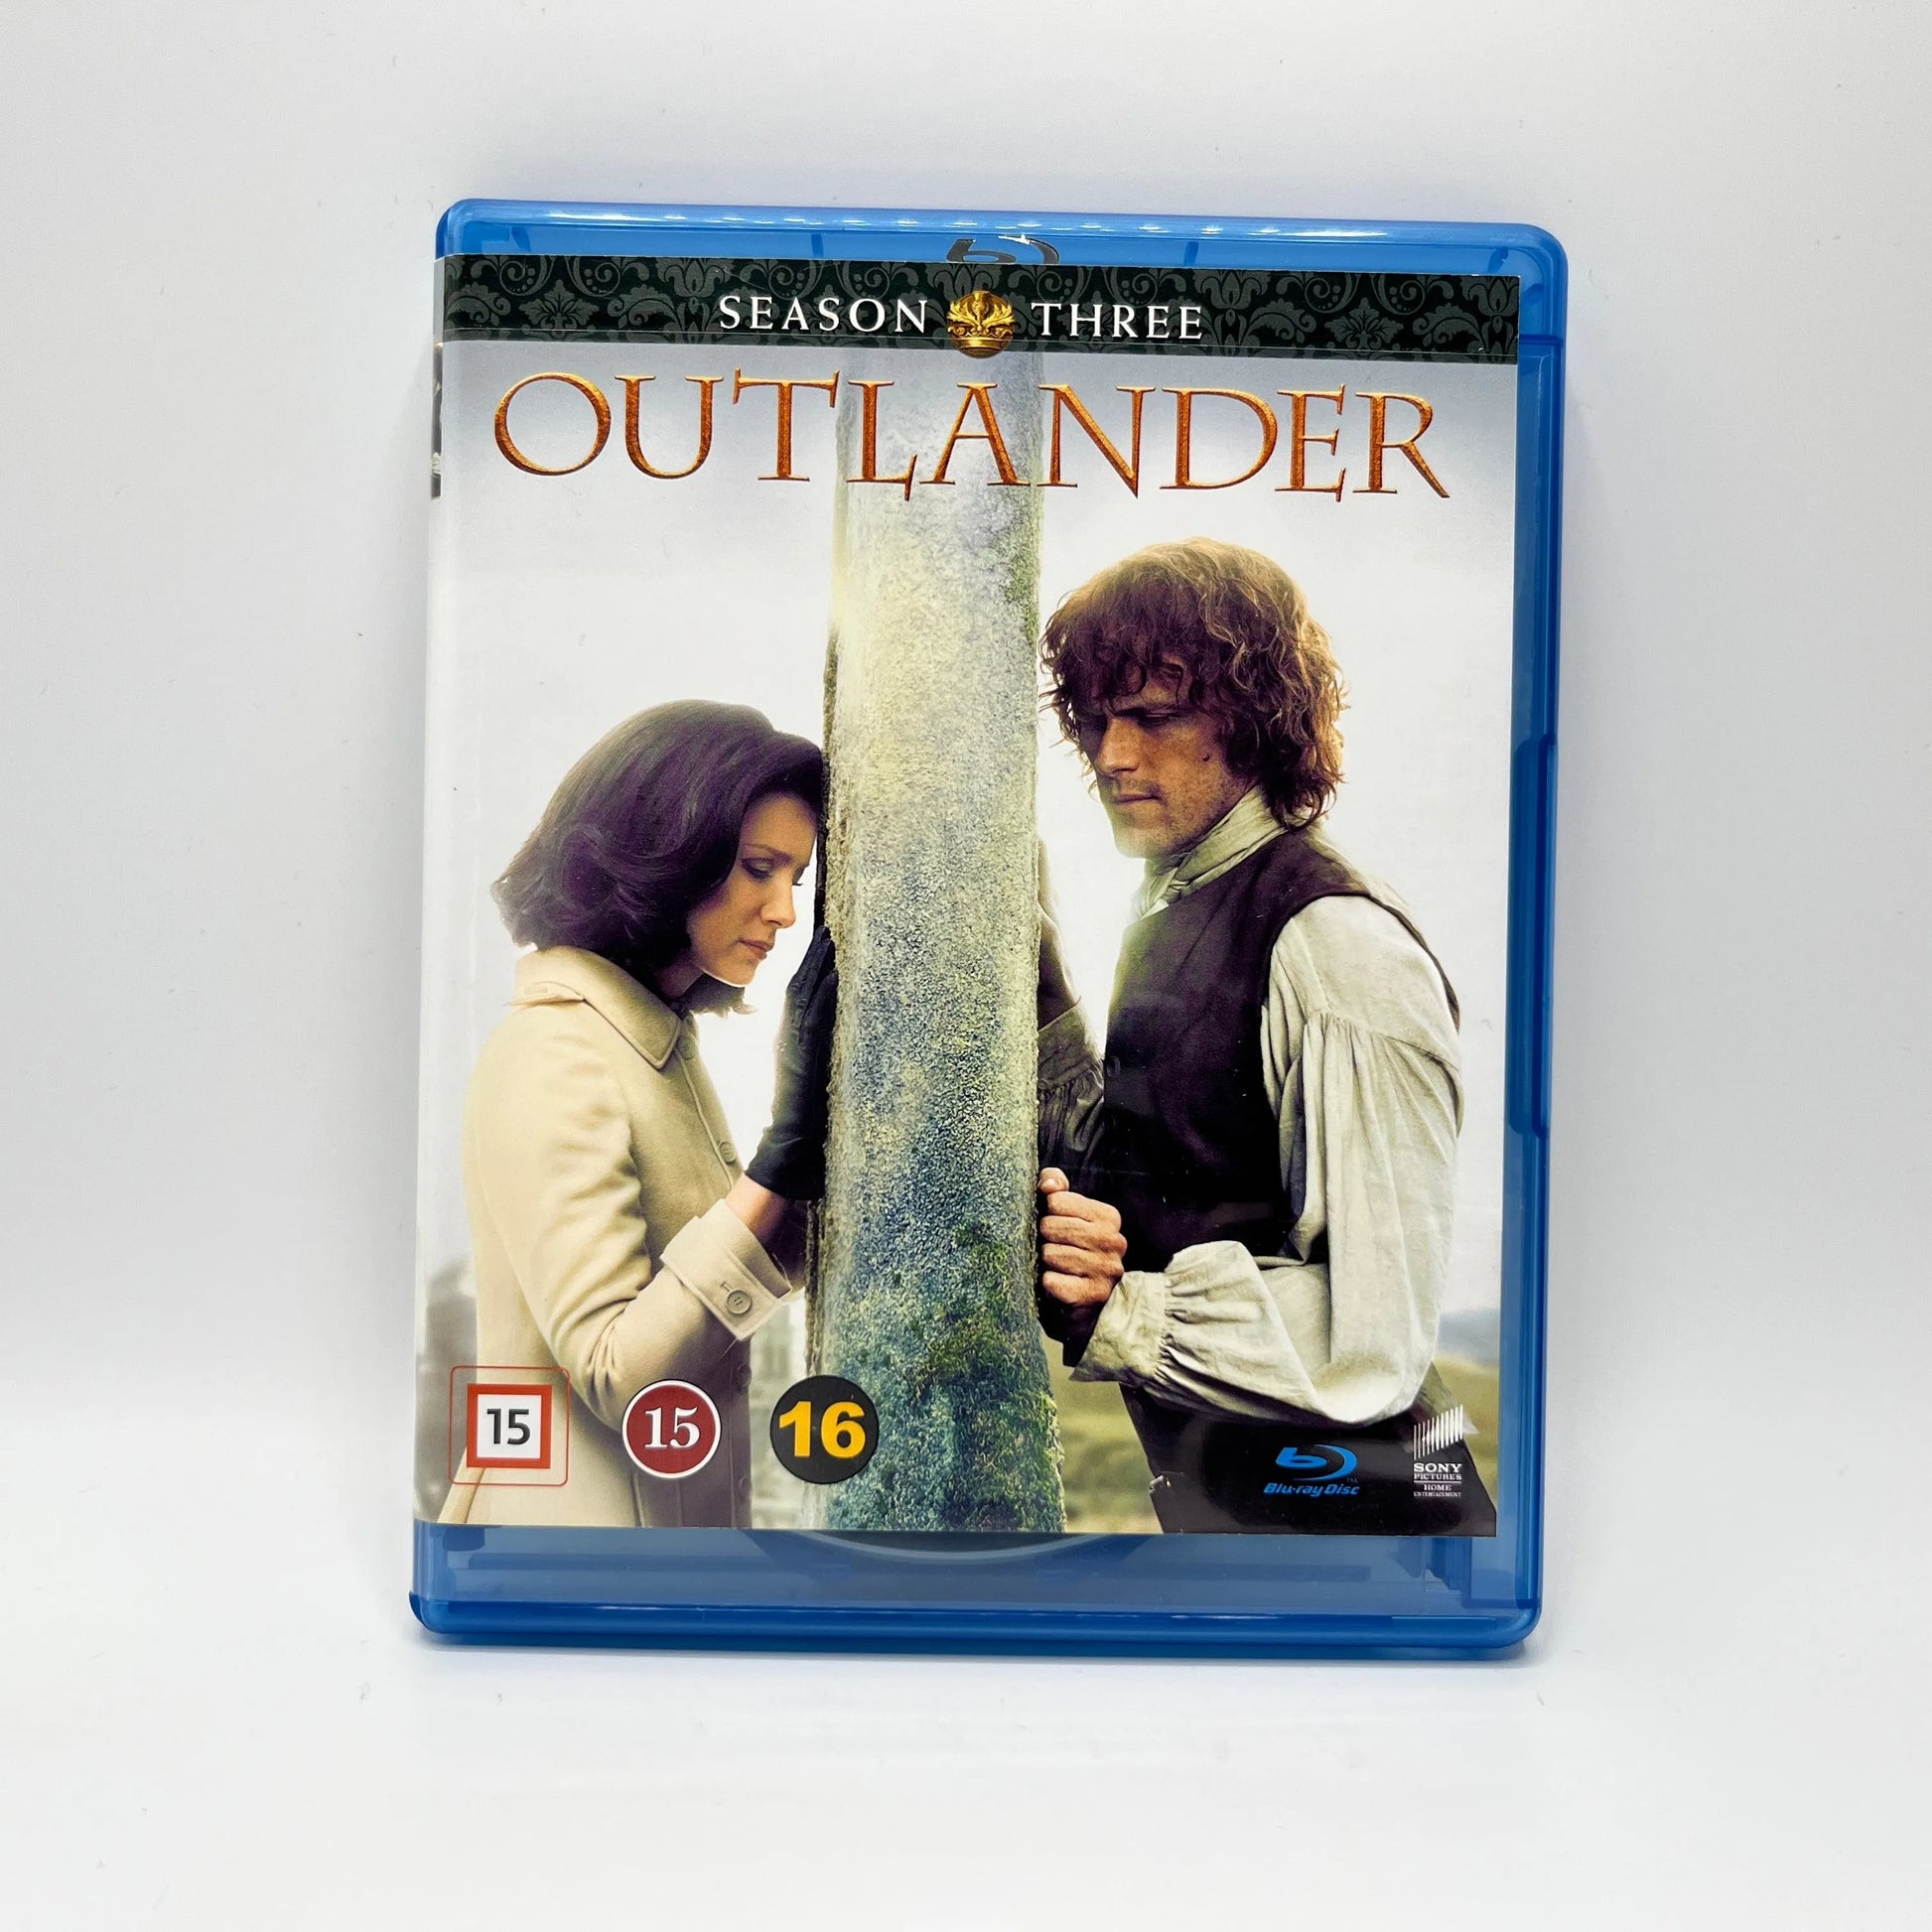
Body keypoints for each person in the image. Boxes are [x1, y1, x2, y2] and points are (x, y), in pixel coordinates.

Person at [1032, 538, 1493, 1534]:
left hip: (1382, 1539)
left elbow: (1374, 1334)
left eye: (1154, 716)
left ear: (1252, 720)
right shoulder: (1173, 903)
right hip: (1246, 1526)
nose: (1112, 756)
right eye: (1095, 719)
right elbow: (1162, 1177)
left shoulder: (1337, 945)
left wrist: (1121, 1311)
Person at [440, 701, 835, 1530]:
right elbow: (616, 1371)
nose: (785, 912)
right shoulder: (557, 1050)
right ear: (667, 853)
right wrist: (778, 1156)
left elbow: (729, 1271)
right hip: (565, 1557)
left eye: (794, 879)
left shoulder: (657, 1049)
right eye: (758, 869)